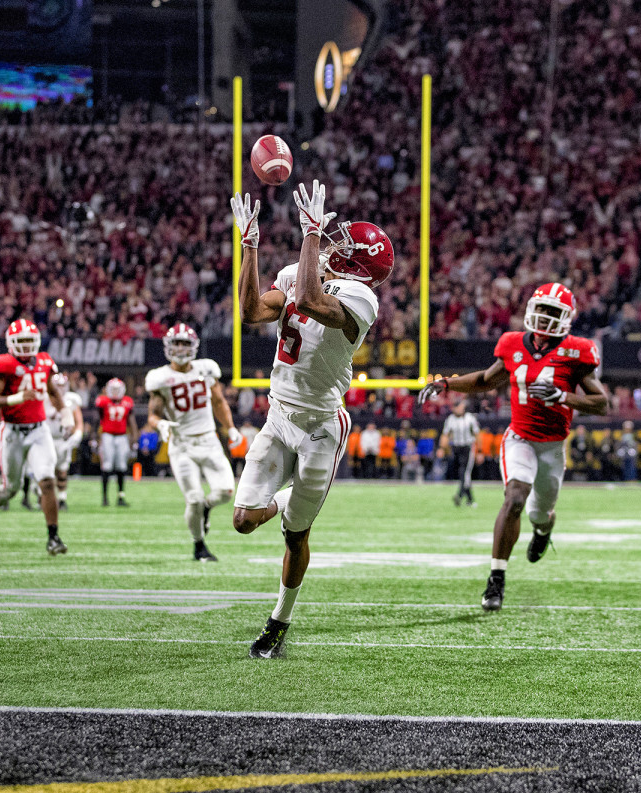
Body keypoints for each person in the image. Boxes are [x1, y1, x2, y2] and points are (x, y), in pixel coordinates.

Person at [230, 184, 391, 657]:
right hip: (279, 415)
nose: (333, 242)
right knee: (242, 521)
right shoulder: (301, 268)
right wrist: (249, 245)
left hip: (322, 427)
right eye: (331, 236)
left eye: (343, 242)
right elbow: (251, 312)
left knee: (296, 536)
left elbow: (312, 300)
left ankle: (279, 620)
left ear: (359, 263)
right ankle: (282, 498)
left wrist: (311, 237)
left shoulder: (362, 298)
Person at [419, 282, 607, 611]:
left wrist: (564, 396)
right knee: (516, 497)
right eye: (542, 310)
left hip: (552, 446)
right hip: (519, 438)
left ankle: (544, 528)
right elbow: (486, 381)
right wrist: (446, 383)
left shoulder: (576, 350)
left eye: (553, 312)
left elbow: (601, 403)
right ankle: (496, 579)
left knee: (539, 511)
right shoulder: (512, 343)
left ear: (566, 319)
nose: (545, 317)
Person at [144, 323, 242, 562]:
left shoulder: (206, 369)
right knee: (194, 498)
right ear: (168, 346)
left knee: (226, 492)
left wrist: (230, 428)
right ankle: (199, 546)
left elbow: (219, 402)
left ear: (194, 346)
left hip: (209, 439)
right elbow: (152, 415)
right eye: (176, 343)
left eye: (185, 343)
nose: (180, 348)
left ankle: (206, 510)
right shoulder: (160, 377)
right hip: (182, 445)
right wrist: (160, 424)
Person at [0, 319, 73, 556]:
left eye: (29, 341)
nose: (26, 345)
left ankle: (53, 537)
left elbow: (53, 392)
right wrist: (17, 398)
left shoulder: (44, 362)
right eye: (21, 341)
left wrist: (66, 415)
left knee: (47, 480)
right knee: (11, 488)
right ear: (11, 343)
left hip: (39, 430)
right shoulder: (3, 365)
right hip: (12, 431)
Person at [22, 372, 84, 511]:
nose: (60, 389)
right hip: (45, 440)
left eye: (63, 386)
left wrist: (77, 434)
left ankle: (62, 499)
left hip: (62, 440)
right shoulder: (42, 398)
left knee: (62, 471)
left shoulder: (71, 400)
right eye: (58, 386)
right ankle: (40, 499)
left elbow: (78, 420)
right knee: (44, 471)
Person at [95, 377, 137, 507]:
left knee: (121, 466)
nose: (115, 392)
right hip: (107, 435)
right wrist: (97, 437)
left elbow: (131, 420)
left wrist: (134, 436)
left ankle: (120, 497)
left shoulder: (127, 402)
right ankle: (105, 498)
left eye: (117, 389)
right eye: (112, 389)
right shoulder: (103, 401)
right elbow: (98, 418)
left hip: (122, 436)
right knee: (106, 466)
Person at [442, 399, 479, 506]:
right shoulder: (450, 419)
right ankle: (470, 500)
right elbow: (446, 434)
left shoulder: (470, 418)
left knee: (464, 472)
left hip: (468, 447)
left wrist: (479, 451)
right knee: (463, 473)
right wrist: (442, 448)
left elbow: (477, 434)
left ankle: (459, 495)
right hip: (457, 448)